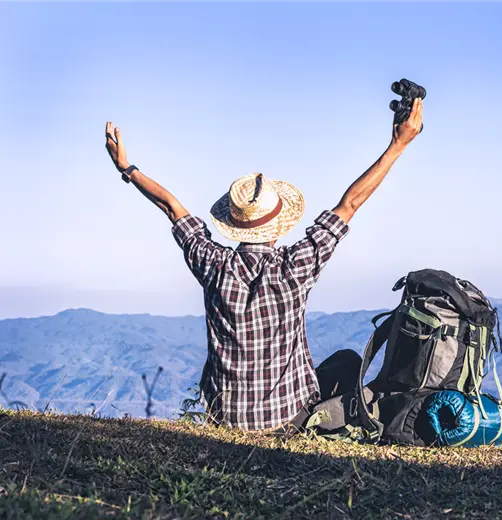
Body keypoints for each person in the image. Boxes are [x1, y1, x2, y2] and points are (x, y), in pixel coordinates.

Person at [104, 97, 424, 431]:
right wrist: (398, 144)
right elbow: (351, 203)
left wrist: (127, 168)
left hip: (224, 417)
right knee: (347, 362)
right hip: (288, 419)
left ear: (235, 223)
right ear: (279, 224)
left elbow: (171, 207)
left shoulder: (212, 263)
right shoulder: (296, 266)